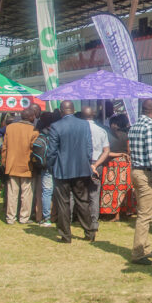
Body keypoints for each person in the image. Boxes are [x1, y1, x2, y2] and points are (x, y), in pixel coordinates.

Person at [45, 101, 94, 242]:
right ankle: (89, 232)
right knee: (83, 201)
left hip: (62, 169)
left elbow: (52, 151)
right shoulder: (84, 124)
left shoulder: (56, 126)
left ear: (61, 111)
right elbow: (89, 147)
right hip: (81, 168)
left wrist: (50, 166)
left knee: (63, 203)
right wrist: (87, 162)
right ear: (73, 110)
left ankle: (66, 235)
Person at [127, 99, 152, 266]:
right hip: (146, 173)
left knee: (144, 211)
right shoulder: (151, 127)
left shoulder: (134, 126)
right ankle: (138, 253)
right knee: (145, 215)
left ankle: (145, 247)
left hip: (136, 170)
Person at [0, 107, 38, 225]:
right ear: (31, 117)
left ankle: (10, 217)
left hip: (11, 164)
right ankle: (24, 217)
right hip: (27, 165)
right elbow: (35, 150)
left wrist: (4, 162)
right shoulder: (34, 131)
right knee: (26, 193)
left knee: (12, 193)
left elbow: (4, 147)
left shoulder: (10, 128)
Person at [81, 106, 110, 235]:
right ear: (93, 115)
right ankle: (94, 222)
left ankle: (80, 219)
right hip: (96, 163)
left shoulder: (78, 129)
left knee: (79, 194)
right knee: (94, 194)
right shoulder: (101, 130)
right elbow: (106, 151)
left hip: (82, 164)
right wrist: (96, 164)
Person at [99, 113, 133, 216]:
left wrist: (118, 154)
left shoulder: (108, 135)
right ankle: (126, 210)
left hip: (112, 164)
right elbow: (129, 150)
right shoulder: (127, 135)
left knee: (111, 188)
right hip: (125, 164)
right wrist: (123, 154)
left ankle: (113, 212)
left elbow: (106, 152)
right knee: (124, 188)